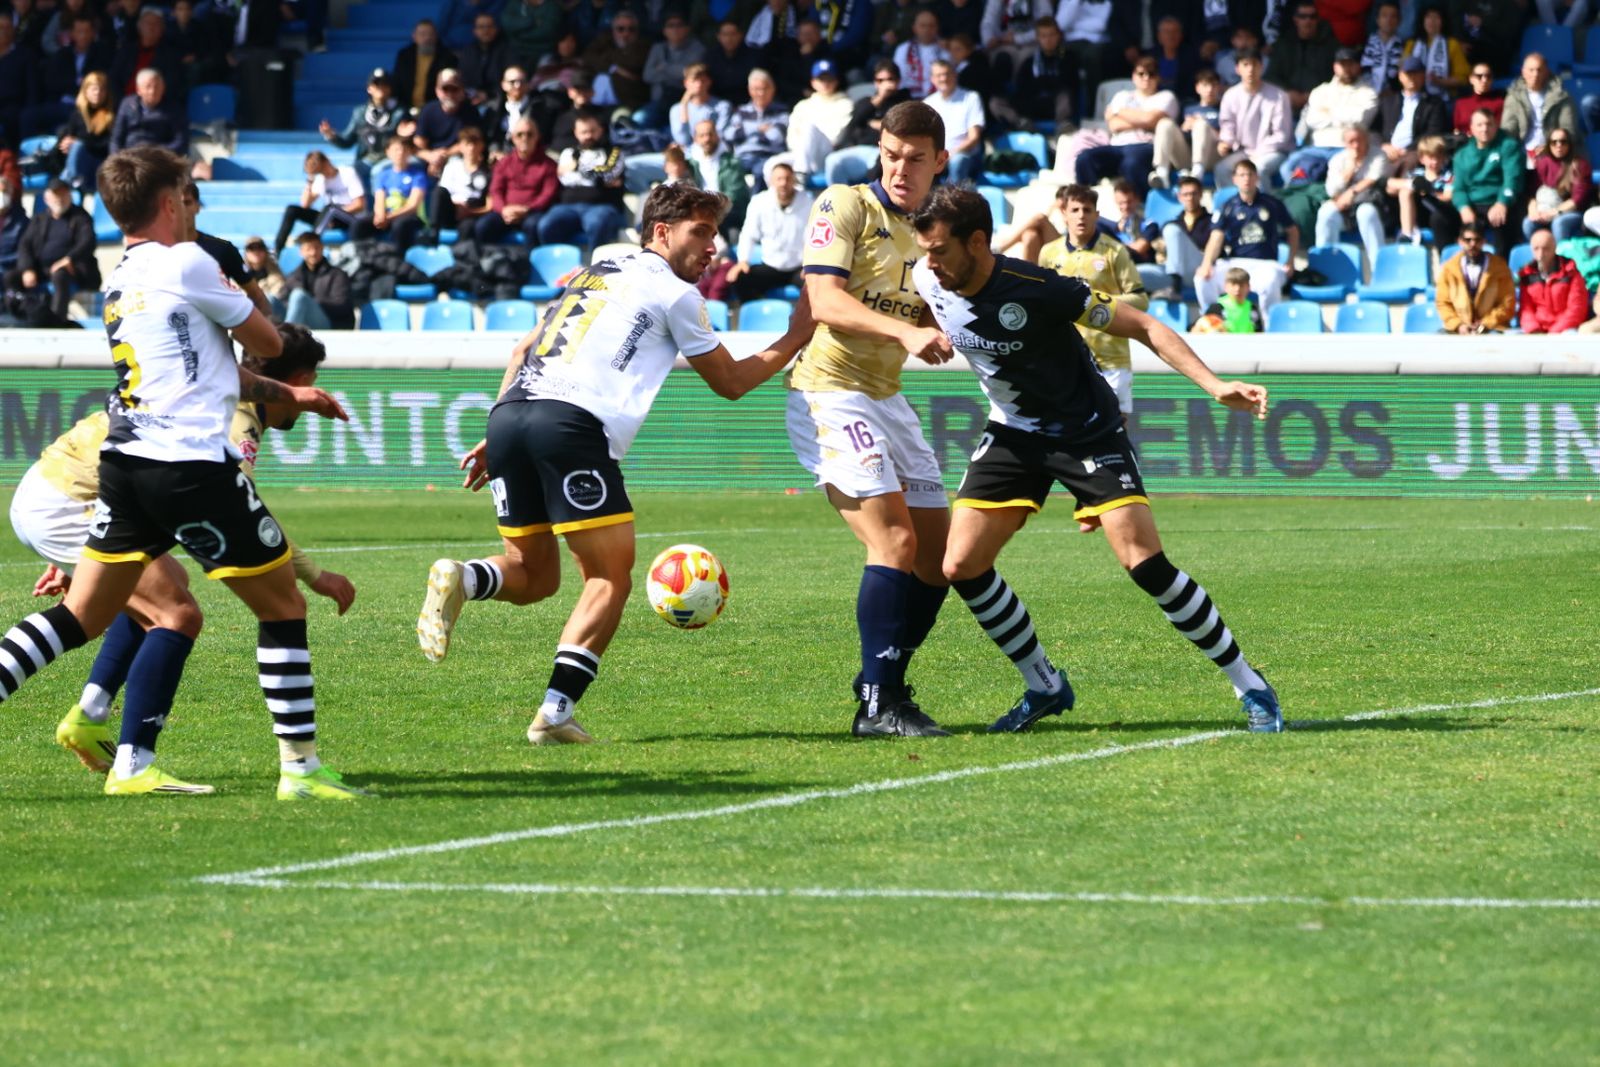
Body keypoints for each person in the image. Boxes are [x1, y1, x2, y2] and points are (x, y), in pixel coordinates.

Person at [0, 145, 361, 799]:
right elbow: (271, 344)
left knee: (82, 613)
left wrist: (293, 395)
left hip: (126, 463)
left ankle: (130, 757)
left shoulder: (123, 273)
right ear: (169, 201)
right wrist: (246, 292)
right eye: (190, 192)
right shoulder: (189, 261)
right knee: (282, 605)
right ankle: (301, 772)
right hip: (188, 464)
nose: (195, 205)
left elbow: (222, 371)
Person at [416, 184, 814, 744]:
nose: (714, 248)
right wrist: (798, 333)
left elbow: (518, 351)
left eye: (715, 235)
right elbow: (731, 382)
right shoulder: (676, 294)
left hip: (511, 414)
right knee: (608, 577)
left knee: (532, 576)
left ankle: (464, 577)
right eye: (701, 233)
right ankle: (554, 716)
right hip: (572, 428)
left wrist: (496, 431)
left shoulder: (601, 265)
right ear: (661, 232)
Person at [907, 184, 1282, 734]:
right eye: (925, 252)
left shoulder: (1041, 288)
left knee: (1143, 562)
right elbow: (913, 307)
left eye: (940, 250)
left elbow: (1148, 326)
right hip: (1012, 433)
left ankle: (1250, 683)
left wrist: (1214, 385)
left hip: (1086, 432)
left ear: (979, 242)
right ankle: (1044, 685)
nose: (930, 264)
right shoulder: (927, 277)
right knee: (959, 565)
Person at [22, 324, 357, 786]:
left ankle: (91, 716)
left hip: (62, 490)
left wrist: (75, 549)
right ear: (299, 380)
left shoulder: (204, 385)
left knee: (161, 585)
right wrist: (313, 574)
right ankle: (133, 763)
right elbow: (235, 509)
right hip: (70, 501)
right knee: (176, 615)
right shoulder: (236, 417)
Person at [786, 101, 955, 738]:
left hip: (885, 396)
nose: (901, 168)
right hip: (828, 392)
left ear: (940, 160)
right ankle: (879, 706)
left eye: (915, 158)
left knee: (940, 556)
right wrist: (906, 334)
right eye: (890, 154)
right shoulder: (844, 204)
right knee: (896, 543)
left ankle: (884, 683)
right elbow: (824, 299)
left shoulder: (939, 225)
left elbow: (947, 309)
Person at [1038, 183, 1149, 416]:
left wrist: (1097, 300)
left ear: (1097, 215)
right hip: (1065, 358)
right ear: (1064, 214)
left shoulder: (1114, 251)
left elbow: (1140, 299)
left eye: (1087, 210)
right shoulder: (1049, 253)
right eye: (1075, 210)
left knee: (1116, 430)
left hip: (1111, 357)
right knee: (1068, 431)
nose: (1081, 216)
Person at [1196, 158, 1299, 313]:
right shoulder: (1228, 206)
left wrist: (1291, 260)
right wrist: (1206, 263)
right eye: (1242, 175)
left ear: (1257, 177)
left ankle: (1270, 326)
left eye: (1250, 174)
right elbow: (1216, 237)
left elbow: (1293, 231)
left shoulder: (1272, 204)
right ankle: (1212, 319)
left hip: (1266, 264)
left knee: (1270, 281)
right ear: (1234, 179)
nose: (1246, 179)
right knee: (1202, 278)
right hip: (1235, 263)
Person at [1072, 57, 1180, 196]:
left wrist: (1119, 112)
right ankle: (1086, 199)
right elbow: (1114, 125)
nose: (1146, 78)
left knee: (1131, 165)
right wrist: (1143, 119)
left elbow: (1149, 120)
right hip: (1117, 145)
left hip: (1146, 145)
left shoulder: (1166, 97)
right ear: (1134, 76)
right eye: (1141, 74)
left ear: (1158, 77)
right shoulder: (1122, 95)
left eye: (1151, 74)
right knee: (1084, 158)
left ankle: (1141, 205)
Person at [1278, 47, 1379, 186]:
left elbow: (1360, 121)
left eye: (1351, 64)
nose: (1347, 68)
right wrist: (1346, 114)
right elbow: (1312, 120)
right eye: (1343, 64)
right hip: (1317, 148)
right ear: (1335, 66)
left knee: (1337, 183)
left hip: (1347, 149)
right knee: (1288, 169)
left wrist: (1329, 112)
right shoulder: (1320, 91)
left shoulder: (1368, 93)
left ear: (1358, 66)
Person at [539, 113, 626, 248]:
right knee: (546, 225)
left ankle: (595, 268)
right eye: (584, 132)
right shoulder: (568, 153)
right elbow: (563, 177)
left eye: (592, 131)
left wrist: (578, 167)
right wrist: (594, 176)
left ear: (601, 130)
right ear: (576, 133)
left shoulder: (614, 152)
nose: (588, 136)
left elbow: (608, 174)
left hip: (601, 206)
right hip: (567, 207)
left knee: (596, 223)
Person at [730, 160, 811, 301]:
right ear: (772, 181)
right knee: (740, 279)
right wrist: (743, 261)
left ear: (793, 180)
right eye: (779, 179)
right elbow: (748, 234)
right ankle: (761, 317)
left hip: (798, 267)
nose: (783, 183)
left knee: (817, 287)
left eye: (787, 178)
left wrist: (811, 266)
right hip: (771, 265)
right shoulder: (759, 202)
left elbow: (813, 239)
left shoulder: (808, 202)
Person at [1314, 126, 1392, 272]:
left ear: (1366, 139)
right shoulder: (1338, 160)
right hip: (1345, 208)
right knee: (1326, 213)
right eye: (1351, 141)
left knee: (1366, 212)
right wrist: (1349, 170)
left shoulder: (1378, 155)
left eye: (1359, 140)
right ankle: (1324, 268)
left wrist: (1351, 192)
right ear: (1345, 143)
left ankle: (1379, 269)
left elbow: (1373, 179)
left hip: (1372, 204)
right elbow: (1332, 191)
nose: (1356, 145)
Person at [1213, 49, 1293, 189]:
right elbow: (1227, 125)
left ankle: (1264, 208)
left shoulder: (1279, 96)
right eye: (1245, 64)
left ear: (1261, 67)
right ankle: (1229, 207)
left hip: (1273, 152)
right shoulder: (1230, 95)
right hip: (1243, 152)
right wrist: (1226, 142)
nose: (1250, 69)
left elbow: (1281, 135)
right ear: (1237, 69)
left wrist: (1258, 153)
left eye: (1254, 64)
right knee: (1222, 169)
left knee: (1257, 169)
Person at [1453, 107, 1523, 256]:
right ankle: (1449, 263)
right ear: (1471, 128)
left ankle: (1502, 266)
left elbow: (1512, 180)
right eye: (1479, 125)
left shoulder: (1508, 146)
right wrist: (1464, 207)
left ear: (1496, 126)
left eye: (1489, 124)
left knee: (1502, 220)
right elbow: (1458, 189)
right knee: (1439, 219)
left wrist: (1502, 202)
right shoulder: (1461, 155)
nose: (1484, 129)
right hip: (1473, 205)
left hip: (1498, 202)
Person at [319, 70, 406, 188]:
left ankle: (377, 206)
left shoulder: (399, 112)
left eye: (384, 85)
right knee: (352, 172)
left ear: (390, 89)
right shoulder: (360, 112)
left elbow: (404, 140)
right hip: (367, 158)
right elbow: (347, 141)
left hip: (389, 158)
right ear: (369, 88)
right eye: (376, 85)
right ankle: (361, 205)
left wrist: (403, 135)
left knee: (377, 171)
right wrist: (331, 135)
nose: (380, 88)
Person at [989, 16, 1076, 133]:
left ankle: (1063, 125)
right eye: (1044, 36)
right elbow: (1022, 88)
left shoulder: (1068, 58)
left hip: (1055, 105)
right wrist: (1042, 83)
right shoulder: (1029, 61)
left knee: (1064, 94)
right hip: (1031, 105)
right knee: (996, 102)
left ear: (1058, 35)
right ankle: (1021, 123)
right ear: (1037, 38)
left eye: (1051, 35)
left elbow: (1070, 84)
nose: (1048, 40)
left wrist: (1042, 82)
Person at [273, 151, 368, 255]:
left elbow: (360, 205)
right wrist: (310, 179)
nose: (322, 173)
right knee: (292, 210)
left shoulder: (347, 173)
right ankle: (278, 249)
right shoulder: (320, 179)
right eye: (318, 172)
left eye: (321, 169)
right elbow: (305, 204)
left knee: (330, 209)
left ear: (327, 162)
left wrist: (335, 215)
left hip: (350, 218)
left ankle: (311, 241)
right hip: (328, 217)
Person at [479, 120, 558, 246]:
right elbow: (495, 190)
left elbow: (548, 194)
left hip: (532, 212)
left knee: (533, 226)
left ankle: (530, 264)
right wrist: (503, 209)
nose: (524, 138)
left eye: (529, 134)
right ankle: (489, 263)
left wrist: (527, 209)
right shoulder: (504, 163)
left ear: (537, 137)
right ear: (513, 138)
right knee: (483, 226)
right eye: (520, 134)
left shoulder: (549, 165)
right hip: (505, 212)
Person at [1499, 53, 1580, 167]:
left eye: (1539, 70)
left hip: (1554, 151)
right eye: (1531, 70)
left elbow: (1568, 129)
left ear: (1547, 72)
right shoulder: (1513, 97)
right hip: (1522, 153)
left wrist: (1549, 147)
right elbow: (1508, 128)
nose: (1535, 74)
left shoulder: (1562, 97)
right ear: (1523, 72)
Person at [1375, 55, 1450, 176]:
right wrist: (1385, 146)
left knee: (1406, 165)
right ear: (1400, 76)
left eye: (1416, 73)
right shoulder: (1387, 102)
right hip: (1386, 149)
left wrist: (1406, 149)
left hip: (1415, 151)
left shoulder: (1434, 104)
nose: (1412, 78)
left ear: (1423, 76)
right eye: (1408, 74)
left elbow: (1432, 132)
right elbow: (1374, 129)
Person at [1150, 68, 1222, 192]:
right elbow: (1176, 133)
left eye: (1213, 85)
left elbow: (1229, 138)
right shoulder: (1188, 108)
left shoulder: (1224, 107)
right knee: (1165, 123)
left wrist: (1203, 125)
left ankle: (1197, 175)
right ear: (1197, 88)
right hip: (1187, 155)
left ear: (1218, 87)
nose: (1209, 89)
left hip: (1212, 156)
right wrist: (1184, 128)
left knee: (1200, 125)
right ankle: (1161, 172)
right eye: (1205, 85)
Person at [1435, 224, 1515, 333]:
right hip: (1458, 329)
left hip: (1492, 328)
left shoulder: (1500, 268)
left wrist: (1486, 323)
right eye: (1468, 240)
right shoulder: (1449, 269)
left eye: (1477, 240)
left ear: (1483, 242)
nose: (1473, 244)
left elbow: (1507, 304)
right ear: (1460, 241)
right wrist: (1458, 325)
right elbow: (1443, 303)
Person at [1266, 2, 1340, 113]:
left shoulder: (1331, 46)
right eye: (1303, 16)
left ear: (1318, 19)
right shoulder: (1284, 44)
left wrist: (1314, 95)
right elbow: (1271, 75)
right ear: (1295, 19)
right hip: (1287, 103)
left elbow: (1337, 77)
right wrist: (1287, 92)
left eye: (1312, 17)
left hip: (1321, 105)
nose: (1308, 21)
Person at [784, 59, 853, 178]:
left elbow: (835, 138)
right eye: (821, 79)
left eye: (829, 79)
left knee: (809, 128)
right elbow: (791, 138)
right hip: (800, 154)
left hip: (827, 153)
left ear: (836, 81)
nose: (825, 83)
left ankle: (800, 174)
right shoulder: (802, 105)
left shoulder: (845, 104)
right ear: (813, 82)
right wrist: (803, 150)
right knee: (772, 164)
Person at [1517, 229, 1591, 335]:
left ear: (1555, 248)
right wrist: (1533, 329)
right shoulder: (1526, 275)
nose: (1541, 254)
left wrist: (1554, 332)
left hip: (1565, 330)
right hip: (1537, 330)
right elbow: (1525, 309)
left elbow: (1577, 309)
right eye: (1536, 249)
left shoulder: (1571, 272)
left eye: (1546, 248)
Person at [1522, 131, 1593, 243]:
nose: (1558, 145)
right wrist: (1533, 211)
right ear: (1549, 145)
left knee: (1559, 223)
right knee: (1528, 222)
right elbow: (1532, 193)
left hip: (1571, 212)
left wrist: (1554, 212)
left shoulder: (1580, 165)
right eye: (1554, 142)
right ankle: (1539, 256)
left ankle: (1561, 257)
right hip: (1544, 210)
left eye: (1563, 142)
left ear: (1569, 144)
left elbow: (1577, 201)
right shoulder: (1542, 163)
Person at [722, 69, 789, 187]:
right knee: (728, 169)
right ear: (750, 90)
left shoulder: (781, 111)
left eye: (764, 89)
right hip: (743, 157)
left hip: (768, 156)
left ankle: (754, 205)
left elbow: (777, 136)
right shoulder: (741, 111)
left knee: (760, 171)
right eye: (757, 89)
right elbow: (729, 134)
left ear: (772, 89)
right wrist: (759, 128)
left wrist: (744, 130)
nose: (761, 93)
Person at [1151, 174, 1213, 300]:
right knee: (1136, 272)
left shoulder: (1213, 221)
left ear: (1201, 194)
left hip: (1200, 270)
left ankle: (1175, 287)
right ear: (1179, 197)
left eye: (1194, 193)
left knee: (1172, 231)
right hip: (1172, 269)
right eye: (1185, 194)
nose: (1190, 198)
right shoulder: (1172, 223)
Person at [923, 59, 984, 184]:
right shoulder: (928, 103)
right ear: (932, 79)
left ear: (955, 75)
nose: (943, 79)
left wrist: (949, 155)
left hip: (965, 155)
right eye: (939, 75)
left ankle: (954, 202)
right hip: (938, 156)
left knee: (958, 161)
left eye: (947, 74)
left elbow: (974, 137)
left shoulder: (971, 98)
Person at [428, 125, 494, 241]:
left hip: (472, 213)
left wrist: (470, 211)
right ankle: (433, 232)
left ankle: (462, 256)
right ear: (460, 147)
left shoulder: (488, 173)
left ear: (482, 146)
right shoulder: (452, 167)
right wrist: (457, 206)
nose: (471, 148)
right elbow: (443, 192)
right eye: (467, 144)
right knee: (438, 191)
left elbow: (489, 206)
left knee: (468, 227)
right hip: (451, 209)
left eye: (475, 144)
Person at [1389, 133, 1456, 245]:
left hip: (1437, 213)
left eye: (1438, 157)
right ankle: (1408, 234)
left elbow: (1447, 197)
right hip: (1418, 213)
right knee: (1405, 191)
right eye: (1430, 158)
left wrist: (1430, 190)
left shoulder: (1448, 176)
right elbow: (1390, 186)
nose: (1434, 162)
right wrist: (1413, 184)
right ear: (1421, 159)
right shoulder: (1417, 174)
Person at [370, 135, 432, 253]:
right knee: (361, 224)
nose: (400, 153)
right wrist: (380, 216)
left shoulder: (418, 176)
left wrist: (389, 217)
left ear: (409, 152)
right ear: (388, 152)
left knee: (400, 224)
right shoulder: (382, 175)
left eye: (404, 149)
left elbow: (412, 206)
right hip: (386, 217)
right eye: (396, 150)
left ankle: (397, 257)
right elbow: (379, 200)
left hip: (410, 218)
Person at [688, 119, 751, 233]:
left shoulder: (731, 162)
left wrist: (713, 209)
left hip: (727, 215)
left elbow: (734, 194)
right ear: (696, 139)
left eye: (710, 134)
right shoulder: (691, 164)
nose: (707, 139)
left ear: (717, 135)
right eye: (702, 136)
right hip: (699, 214)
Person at [414, 69, 480, 175]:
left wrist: (444, 156)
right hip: (429, 157)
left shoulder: (470, 111)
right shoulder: (428, 110)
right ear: (437, 91)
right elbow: (418, 144)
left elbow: (471, 142)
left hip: (456, 157)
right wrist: (430, 156)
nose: (450, 94)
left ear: (462, 91)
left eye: (454, 89)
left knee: (457, 164)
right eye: (445, 89)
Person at [283, 232, 354, 330]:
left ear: (322, 248)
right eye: (308, 249)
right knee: (271, 300)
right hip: (301, 321)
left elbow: (342, 306)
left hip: (329, 322)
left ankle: (288, 340)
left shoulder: (337, 275)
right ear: (301, 252)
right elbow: (282, 299)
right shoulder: (294, 276)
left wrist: (311, 303)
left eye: (316, 248)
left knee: (299, 295)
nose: (313, 253)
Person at [108, 69, 187, 157]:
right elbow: (116, 139)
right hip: (130, 156)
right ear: (138, 89)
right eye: (148, 87)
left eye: (156, 86)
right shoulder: (127, 104)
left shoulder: (174, 109)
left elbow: (181, 141)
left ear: (163, 87)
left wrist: (156, 152)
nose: (152, 91)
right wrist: (116, 158)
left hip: (158, 158)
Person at [57, 70, 113, 193]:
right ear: (85, 91)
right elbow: (70, 136)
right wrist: (65, 144)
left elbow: (109, 144)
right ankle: (70, 182)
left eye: (102, 89)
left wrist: (81, 143)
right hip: (78, 162)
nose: (98, 93)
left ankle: (69, 181)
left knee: (78, 145)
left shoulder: (112, 115)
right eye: (94, 89)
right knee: (73, 145)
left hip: (99, 161)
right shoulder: (78, 113)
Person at [646, 12, 707, 113]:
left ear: (687, 29)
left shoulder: (697, 48)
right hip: (659, 101)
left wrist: (664, 67)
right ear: (664, 30)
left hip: (687, 102)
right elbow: (647, 75)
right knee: (639, 119)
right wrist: (678, 73)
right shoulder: (658, 48)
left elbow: (691, 74)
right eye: (671, 26)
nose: (675, 29)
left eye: (679, 25)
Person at [1402, 4, 1468, 98]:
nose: (1432, 21)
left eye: (1436, 17)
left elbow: (1463, 78)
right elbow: (1402, 71)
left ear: (1443, 21)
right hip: (1415, 98)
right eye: (1428, 17)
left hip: (1443, 99)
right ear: (1422, 20)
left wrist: (1440, 82)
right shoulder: (1411, 44)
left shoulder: (1452, 44)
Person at [394, 19, 460, 111]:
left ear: (436, 36)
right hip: (406, 107)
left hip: (437, 109)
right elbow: (397, 83)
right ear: (414, 37)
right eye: (422, 34)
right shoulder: (404, 56)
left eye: (431, 34)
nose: (427, 37)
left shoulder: (448, 57)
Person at [843, 60, 910, 147]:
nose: (885, 84)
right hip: (860, 146)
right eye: (880, 80)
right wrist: (881, 97)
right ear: (875, 82)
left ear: (898, 81)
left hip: (885, 149)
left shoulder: (905, 102)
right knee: (833, 159)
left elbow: (902, 126)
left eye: (890, 79)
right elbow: (854, 122)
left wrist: (878, 124)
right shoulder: (866, 101)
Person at [671, 62, 733, 148]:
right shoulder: (676, 109)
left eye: (702, 81)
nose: (698, 84)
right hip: (688, 155)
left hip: (714, 154)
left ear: (709, 81)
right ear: (685, 83)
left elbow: (719, 136)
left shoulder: (723, 106)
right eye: (694, 81)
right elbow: (683, 140)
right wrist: (684, 105)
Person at [892, 8, 947, 99]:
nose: (927, 30)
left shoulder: (946, 49)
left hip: (940, 99)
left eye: (931, 26)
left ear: (937, 27)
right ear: (914, 28)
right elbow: (899, 78)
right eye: (923, 25)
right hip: (908, 98)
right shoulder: (903, 49)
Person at [459, 10, 510, 106]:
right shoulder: (467, 52)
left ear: (496, 29)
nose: (486, 30)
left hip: (498, 100)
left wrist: (487, 94)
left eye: (489, 26)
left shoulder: (506, 51)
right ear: (474, 31)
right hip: (471, 98)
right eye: (481, 27)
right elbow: (463, 79)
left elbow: (509, 79)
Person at [1198, 266, 1265, 332]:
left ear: (1248, 287)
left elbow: (1259, 332)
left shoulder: (1252, 308)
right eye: (1233, 285)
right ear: (1225, 287)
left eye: (1241, 285)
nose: (1237, 289)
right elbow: (1199, 326)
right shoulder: (1217, 308)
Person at [1362, 0, 1405, 93]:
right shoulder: (1369, 42)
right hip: (1369, 93)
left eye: (1393, 16)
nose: (1388, 20)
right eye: (1384, 16)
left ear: (1399, 20)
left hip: (1392, 96)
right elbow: (1364, 68)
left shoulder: (1403, 45)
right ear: (1377, 19)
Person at [1452, 61, 1503, 136]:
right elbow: (1456, 129)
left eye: (1488, 76)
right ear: (1471, 79)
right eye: (1479, 76)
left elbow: (1498, 130)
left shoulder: (1499, 103)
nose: (1484, 80)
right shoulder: (1461, 104)